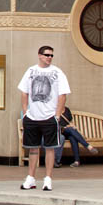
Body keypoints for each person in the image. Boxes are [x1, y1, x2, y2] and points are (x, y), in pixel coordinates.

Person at [18, 45, 70, 192]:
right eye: (47, 55)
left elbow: (63, 94)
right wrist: (25, 112)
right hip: (32, 117)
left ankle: (47, 179)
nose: (49, 57)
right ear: (40, 55)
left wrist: (57, 115)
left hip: (49, 117)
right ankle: (31, 178)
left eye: (51, 55)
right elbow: (24, 92)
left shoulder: (58, 72)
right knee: (33, 149)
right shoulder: (30, 71)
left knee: (50, 148)